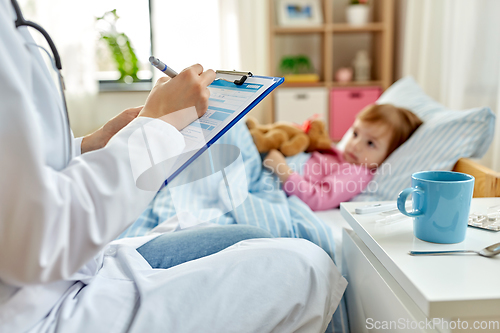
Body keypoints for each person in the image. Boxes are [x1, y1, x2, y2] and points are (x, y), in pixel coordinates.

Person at [0, 1, 347, 332]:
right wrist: (157, 126)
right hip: (38, 311)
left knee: (251, 238)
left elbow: (22, 169)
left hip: (70, 271)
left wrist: (90, 145)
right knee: (308, 268)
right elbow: (38, 239)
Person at [264, 104, 423, 211]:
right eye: (355, 134)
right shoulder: (342, 156)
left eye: (370, 143)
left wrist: (282, 168)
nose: (355, 145)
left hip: (277, 178)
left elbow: (318, 198)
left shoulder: (357, 173)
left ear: (388, 155)